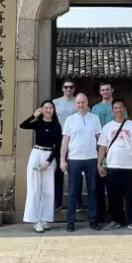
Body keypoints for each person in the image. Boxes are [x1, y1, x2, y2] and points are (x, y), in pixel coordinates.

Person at [97, 99, 132, 232]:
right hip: (112, 166)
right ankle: (115, 220)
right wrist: (99, 164)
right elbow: (102, 147)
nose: (118, 110)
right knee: (112, 195)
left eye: (120, 107)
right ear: (112, 111)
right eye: (115, 108)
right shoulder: (107, 127)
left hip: (128, 166)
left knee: (130, 196)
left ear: (124, 109)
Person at [19, 100, 62, 233]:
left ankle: (44, 218)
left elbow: (58, 145)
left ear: (53, 110)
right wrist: (34, 115)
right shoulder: (37, 123)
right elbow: (23, 125)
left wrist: (49, 161)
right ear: (42, 110)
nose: (48, 110)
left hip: (49, 156)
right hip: (37, 154)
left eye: (51, 108)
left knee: (48, 189)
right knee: (35, 188)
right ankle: (35, 220)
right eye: (45, 108)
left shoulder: (56, 125)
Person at [60, 93, 102, 232]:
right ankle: (70, 221)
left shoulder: (94, 118)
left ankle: (93, 220)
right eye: (78, 103)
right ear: (75, 104)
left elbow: (99, 139)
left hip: (91, 158)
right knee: (73, 191)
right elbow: (65, 141)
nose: (80, 105)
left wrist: (101, 159)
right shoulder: (70, 120)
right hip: (74, 159)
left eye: (83, 102)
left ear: (87, 102)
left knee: (93, 190)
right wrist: (62, 159)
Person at [91, 82, 129, 223]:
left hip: (117, 150)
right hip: (100, 149)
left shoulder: (119, 106)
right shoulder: (95, 108)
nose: (105, 92)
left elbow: (126, 127)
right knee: (99, 185)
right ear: (100, 92)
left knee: (117, 186)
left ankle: (119, 215)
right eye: (103, 90)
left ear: (112, 90)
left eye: (108, 89)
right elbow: (93, 129)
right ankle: (101, 215)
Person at [52, 81, 77, 210]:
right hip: (60, 138)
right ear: (62, 88)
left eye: (71, 87)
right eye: (66, 87)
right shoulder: (55, 103)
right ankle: (58, 201)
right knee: (58, 170)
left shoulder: (78, 102)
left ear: (74, 88)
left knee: (75, 170)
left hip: (75, 138)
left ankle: (77, 201)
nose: (68, 89)